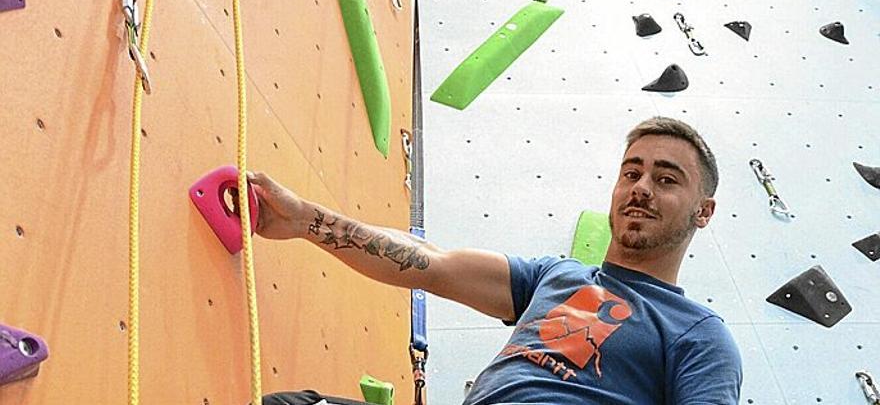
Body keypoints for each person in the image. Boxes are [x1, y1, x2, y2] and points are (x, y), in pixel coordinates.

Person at [247, 116, 743, 404]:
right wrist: (303, 220)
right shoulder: (556, 276)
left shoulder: (697, 333)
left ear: (704, 211)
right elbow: (428, 262)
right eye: (631, 172)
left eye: (666, 179)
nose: (640, 188)